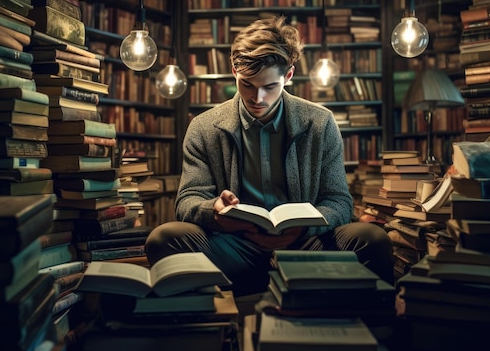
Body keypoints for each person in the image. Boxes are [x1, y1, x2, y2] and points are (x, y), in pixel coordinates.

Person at [145, 16, 394, 296]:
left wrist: (303, 230)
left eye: (270, 87)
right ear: (234, 71)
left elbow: (339, 202)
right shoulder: (203, 127)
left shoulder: (320, 123)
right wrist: (215, 212)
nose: (258, 98)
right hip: (234, 246)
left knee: (372, 240)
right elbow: (187, 201)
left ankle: (375, 329)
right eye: (248, 84)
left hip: (305, 246)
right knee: (163, 239)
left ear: (288, 76)